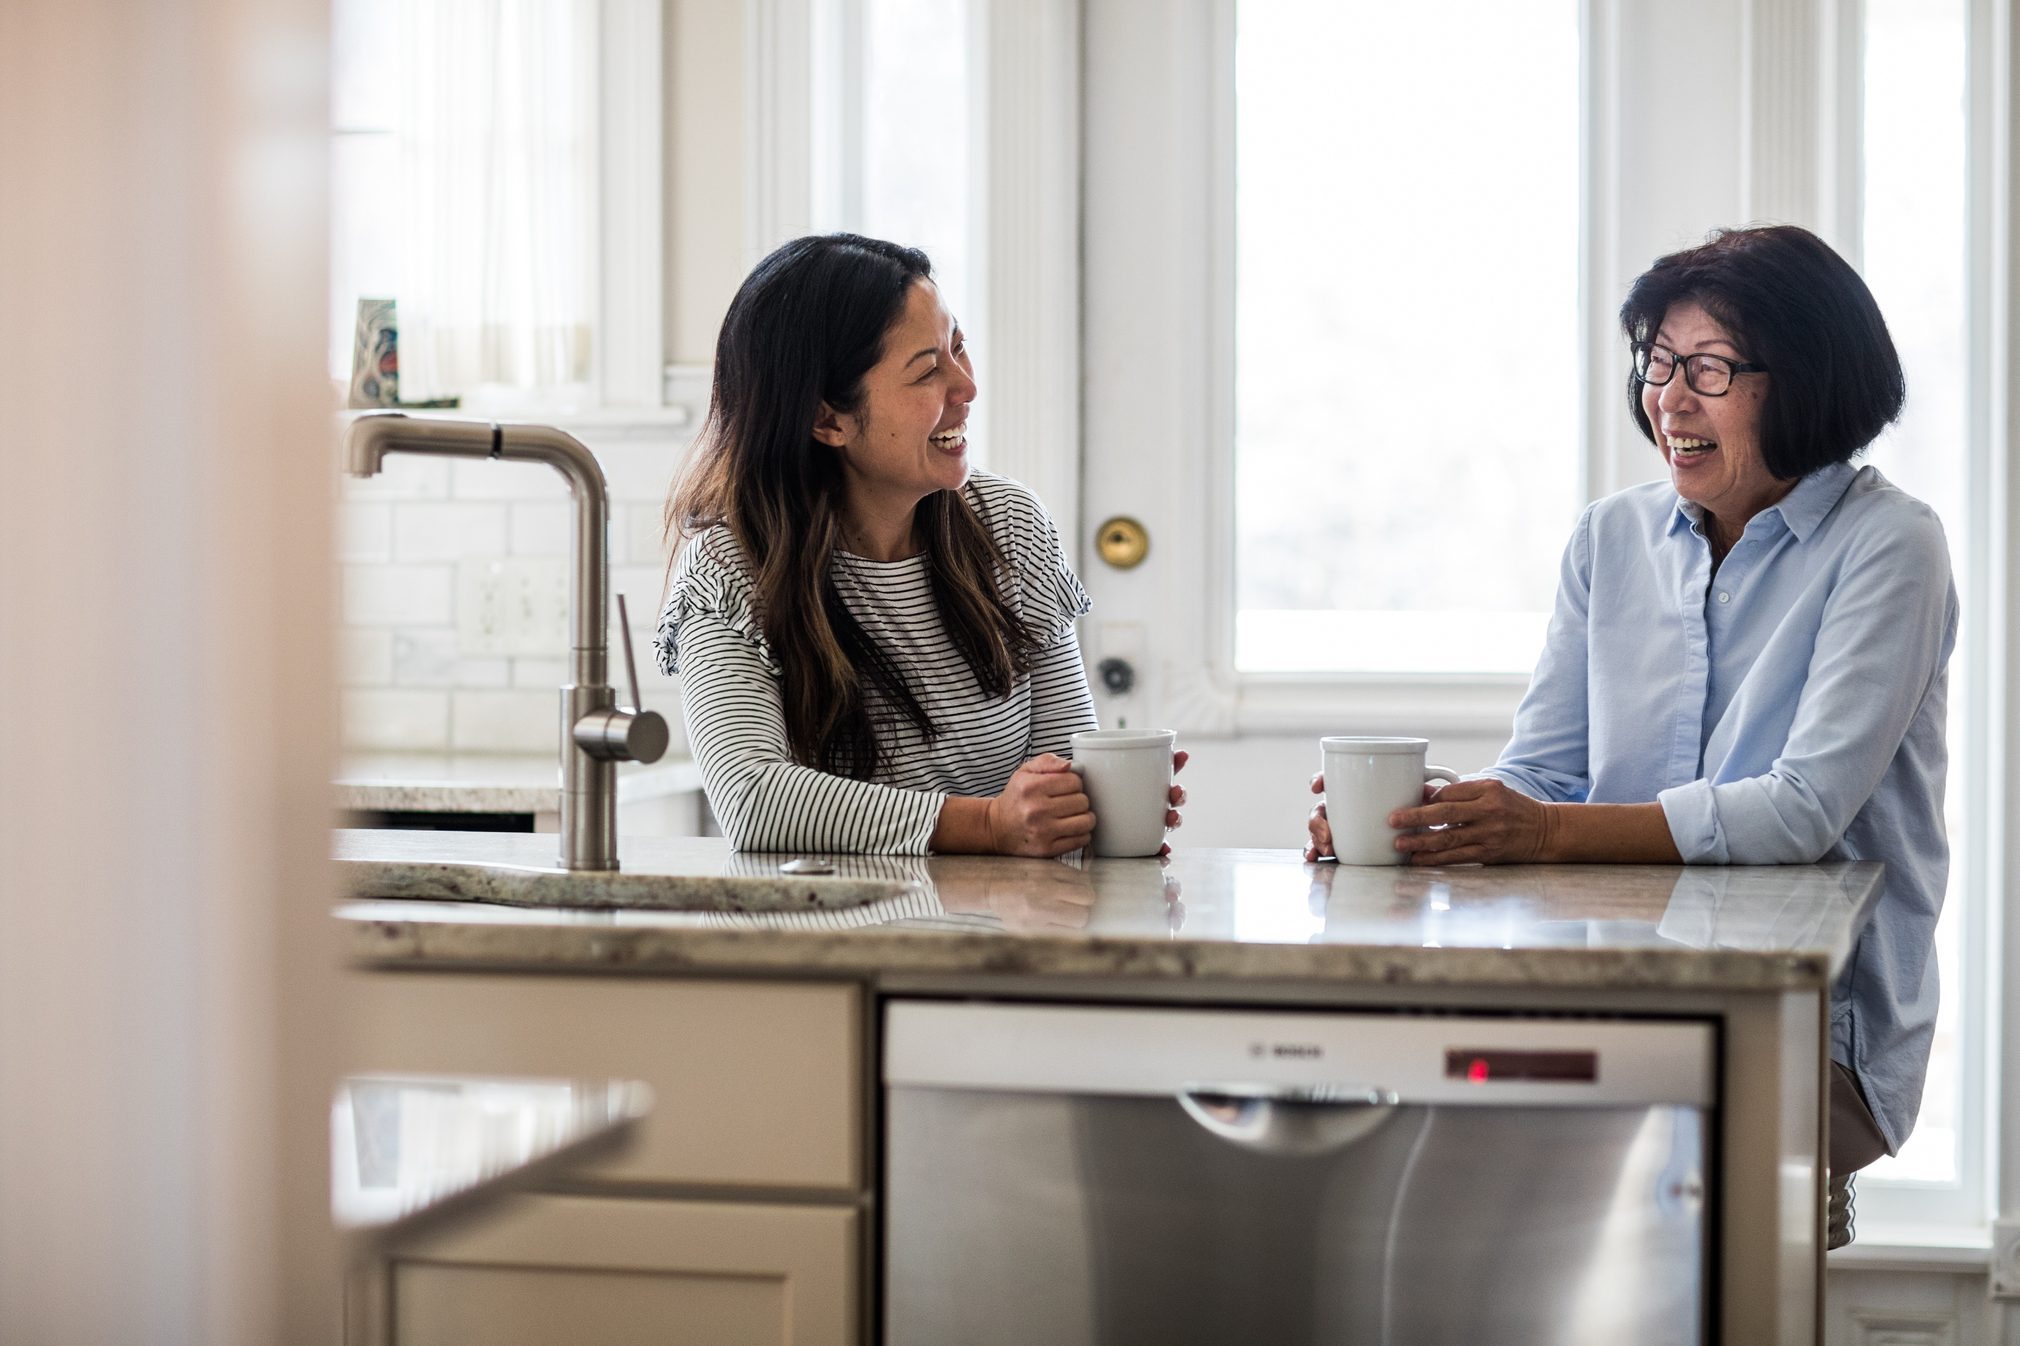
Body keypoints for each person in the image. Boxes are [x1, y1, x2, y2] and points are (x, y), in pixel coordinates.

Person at [1303, 225, 1956, 1226]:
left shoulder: (1890, 544)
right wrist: (1430, 821)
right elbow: (1544, 774)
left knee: (1496, 1174)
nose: (1670, 399)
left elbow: (1798, 811)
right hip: (1609, 996)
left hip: (1810, 1029)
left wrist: (1539, 831)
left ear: (1810, 379)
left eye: (1710, 368)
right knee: (1389, 1126)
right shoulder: (1610, 537)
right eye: (1657, 364)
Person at [656, 233, 1184, 856]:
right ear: (828, 419)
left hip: (1009, 940)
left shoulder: (1010, 524)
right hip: (826, 942)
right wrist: (989, 824)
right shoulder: (729, 569)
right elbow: (754, 800)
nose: (965, 387)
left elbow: (1066, 764)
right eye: (928, 370)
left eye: (958, 347)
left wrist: (1101, 803)